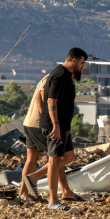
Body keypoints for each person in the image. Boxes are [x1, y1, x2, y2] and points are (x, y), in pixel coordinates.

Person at [19, 72, 82, 201]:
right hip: (38, 124)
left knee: (32, 158)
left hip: (30, 122)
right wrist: (46, 120)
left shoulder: (49, 77)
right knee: (57, 158)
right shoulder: (56, 78)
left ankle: (23, 193)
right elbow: (39, 96)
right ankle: (60, 189)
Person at [40, 47, 87, 211]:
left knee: (68, 157)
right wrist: (56, 126)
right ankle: (53, 200)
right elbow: (51, 101)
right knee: (54, 162)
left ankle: (42, 181)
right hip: (55, 126)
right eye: (81, 63)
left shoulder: (66, 76)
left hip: (63, 126)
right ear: (74, 60)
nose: (82, 67)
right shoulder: (60, 75)